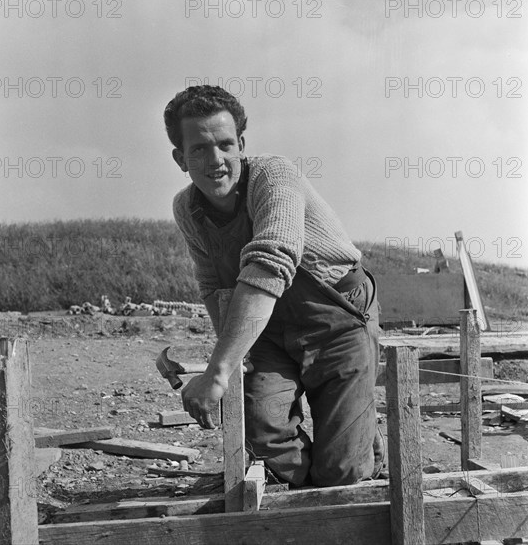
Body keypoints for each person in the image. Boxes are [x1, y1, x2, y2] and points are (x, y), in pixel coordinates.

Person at [164, 85, 384, 488]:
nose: (216, 161)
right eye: (199, 149)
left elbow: (270, 264)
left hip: (337, 317)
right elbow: (214, 286)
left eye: (226, 145)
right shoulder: (187, 209)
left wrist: (218, 371)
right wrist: (235, 356)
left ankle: (356, 454)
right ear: (180, 158)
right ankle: (311, 498)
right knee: (262, 432)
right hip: (266, 329)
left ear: (242, 144)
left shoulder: (273, 176)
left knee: (341, 474)